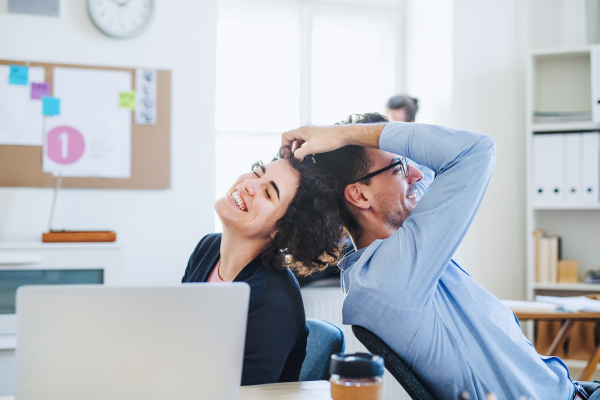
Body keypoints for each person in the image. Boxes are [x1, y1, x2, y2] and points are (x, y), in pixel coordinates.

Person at [280, 113, 590, 399]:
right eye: (400, 167)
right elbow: (474, 151)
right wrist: (346, 134)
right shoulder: (391, 275)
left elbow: (433, 165)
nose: (415, 173)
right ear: (360, 195)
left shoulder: (394, 254)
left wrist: (353, 138)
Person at [182, 155, 343, 386]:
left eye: (268, 193)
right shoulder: (207, 248)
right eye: (257, 173)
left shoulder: (273, 300)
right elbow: (179, 337)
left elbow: (237, 393)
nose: (249, 184)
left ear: (284, 230)